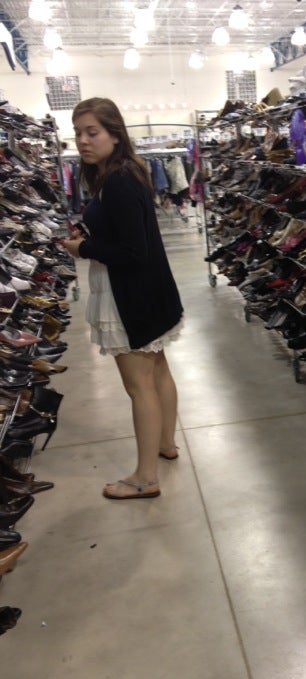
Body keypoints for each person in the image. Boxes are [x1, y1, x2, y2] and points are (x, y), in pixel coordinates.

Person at [63, 97, 183, 500]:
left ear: (115, 134)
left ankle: (145, 477)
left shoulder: (117, 180)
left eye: (92, 132)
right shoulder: (123, 173)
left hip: (130, 296)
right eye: (78, 133)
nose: (83, 140)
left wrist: (84, 248)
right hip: (149, 291)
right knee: (158, 370)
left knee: (139, 386)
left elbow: (133, 251)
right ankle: (166, 443)